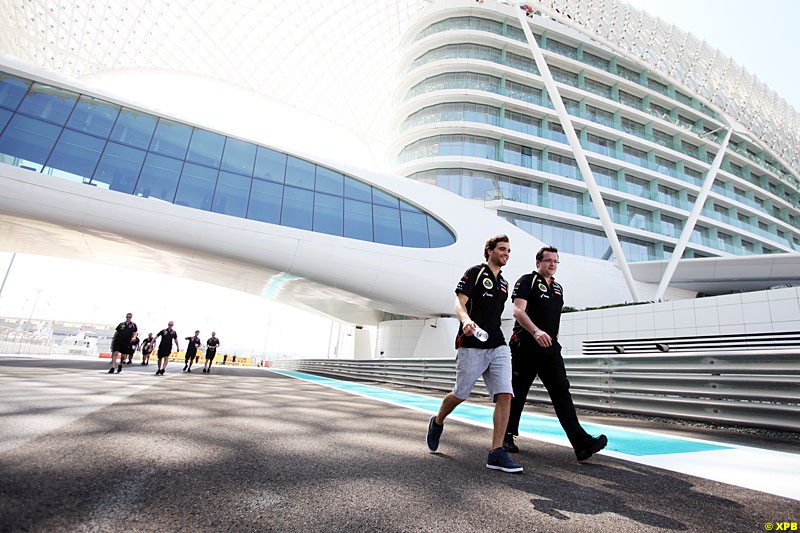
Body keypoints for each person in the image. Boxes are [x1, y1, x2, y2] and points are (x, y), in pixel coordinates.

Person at [425, 235, 522, 473]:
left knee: (506, 393)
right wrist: (466, 320)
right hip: (471, 344)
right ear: (489, 250)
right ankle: (437, 422)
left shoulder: (504, 284)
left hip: (497, 344)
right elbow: (460, 303)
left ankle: (496, 453)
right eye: (501, 249)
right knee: (460, 394)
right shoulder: (475, 273)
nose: (506, 253)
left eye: (508, 250)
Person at [504, 246, 607, 462]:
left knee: (562, 392)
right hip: (526, 345)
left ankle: (581, 444)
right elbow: (518, 310)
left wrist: (554, 339)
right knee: (518, 392)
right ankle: (506, 435)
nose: (552, 264)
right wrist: (536, 331)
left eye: (555, 261)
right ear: (538, 262)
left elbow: (554, 318)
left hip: (550, 349)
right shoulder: (527, 281)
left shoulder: (558, 288)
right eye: (548, 260)